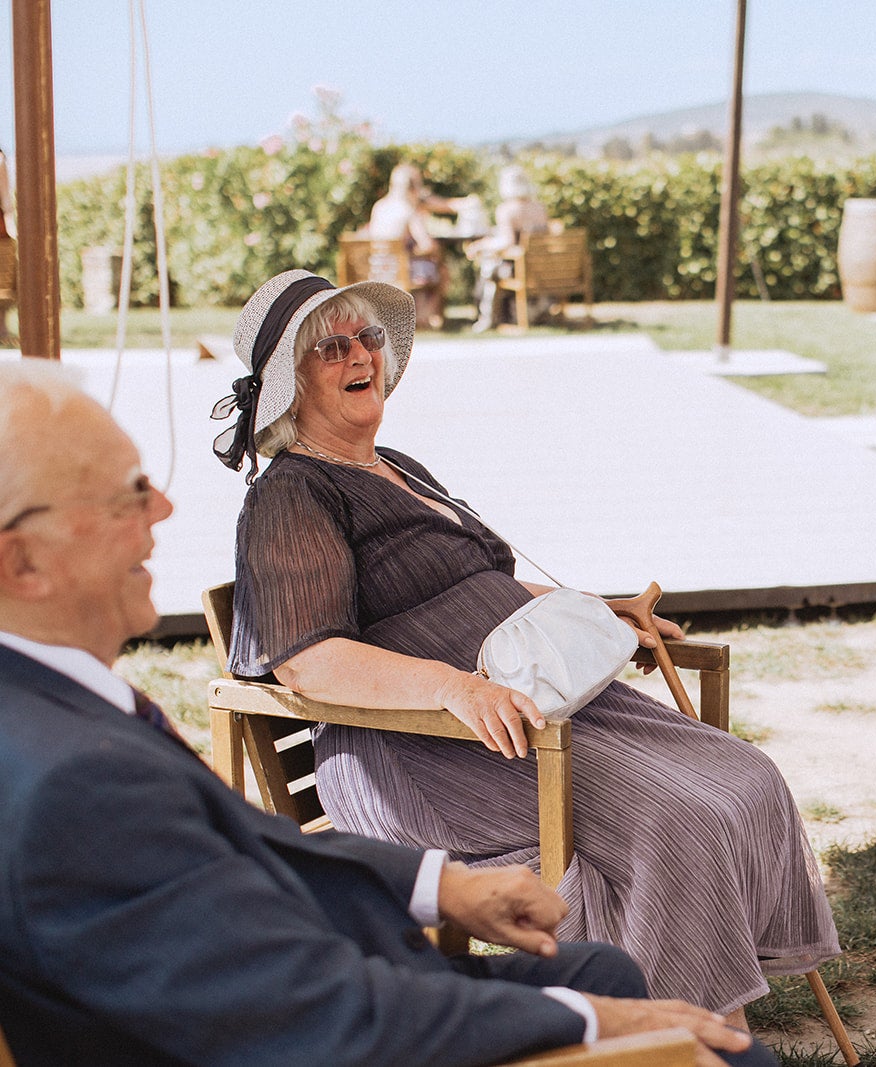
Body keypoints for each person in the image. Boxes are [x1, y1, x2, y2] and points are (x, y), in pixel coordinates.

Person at [0, 360, 773, 1067]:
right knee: (678, 1013)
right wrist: (586, 1023)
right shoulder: (72, 780)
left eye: (364, 336)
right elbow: (308, 1011)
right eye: (126, 493)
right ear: (21, 564)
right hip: (416, 809)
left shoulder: (57, 700)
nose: (165, 506)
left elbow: (246, 840)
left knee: (615, 957)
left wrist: (443, 888)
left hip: (362, 941)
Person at [208, 269, 841, 1027]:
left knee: (745, 772)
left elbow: (486, 587)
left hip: (529, 705)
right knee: (676, 817)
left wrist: (603, 617)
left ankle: (692, 1011)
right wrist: (455, 688)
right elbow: (306, 660)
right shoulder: (291, 495)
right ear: (289, 384)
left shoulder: (398, 466)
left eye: (367, 337)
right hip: (433, 747)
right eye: (332, 346)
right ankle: (681, 1033)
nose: (361, 356)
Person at [466, 165, 552, 331]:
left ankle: (487, 317)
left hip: (520, 268)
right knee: (491, 265)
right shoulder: (540, 208)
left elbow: (508, 242)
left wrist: (481, 245)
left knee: (488, 267)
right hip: (542, 267)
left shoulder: (507, 210)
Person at [369, 162, 451, 330]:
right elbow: (427, 245)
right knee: (441, 270)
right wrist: (419, 251)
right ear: (414, 188)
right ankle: (426, 317)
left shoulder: (379, 206)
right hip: (400, 270)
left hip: (377, 268)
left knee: (425, 266)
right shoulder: (408, 209)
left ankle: (419, 316)